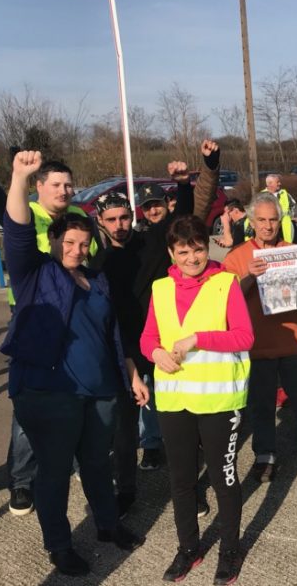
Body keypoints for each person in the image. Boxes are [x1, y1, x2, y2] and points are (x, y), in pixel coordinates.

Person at [2, 150, 144, 577]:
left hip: (99, 390)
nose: (77, 250)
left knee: (99, 465)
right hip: (50, 392)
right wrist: (20, 178)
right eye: (69, 243)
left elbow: (111, 334)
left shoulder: (96, 279)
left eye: (83, 244)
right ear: (53, 243)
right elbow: (16, 231)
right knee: (56, 473)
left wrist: (131, 374)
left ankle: (106, 524)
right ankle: (59, 545)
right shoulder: (35, 273)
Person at [91, 141, 220, 517]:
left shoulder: (150, 243)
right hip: (127, 352)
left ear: (131, 217)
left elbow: (178, 218)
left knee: (180, 425)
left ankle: (192, 490)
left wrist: (182, 183)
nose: (119, 224)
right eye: (111, 219)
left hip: (166, 347)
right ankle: (126, 491)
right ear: (101, 221)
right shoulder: (99, 263)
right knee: (125, 430)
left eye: (123, 217)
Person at [0, 154, 99, 517]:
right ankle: (23, 480)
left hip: (77, 317)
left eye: (68, 184)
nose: (64, 190)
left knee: (74, 394)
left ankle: (71, 460)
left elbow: (95, 263)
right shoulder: (30, 214)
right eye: (55, 184)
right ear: (39, 187)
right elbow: (6, 215)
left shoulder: (80, 219)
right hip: (35, 318)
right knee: (30, 405)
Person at [139, 215, 253, 584]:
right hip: (175, 401)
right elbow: (147, 338)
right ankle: (189, 547)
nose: (191, 258)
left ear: (208, 247)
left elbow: (243, 337)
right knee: (181, 480)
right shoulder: (160, 288)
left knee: (224, 478)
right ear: (171, 253)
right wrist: (155, 354)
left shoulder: (225, 284)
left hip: (219, 401)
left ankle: (230, 550)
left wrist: (198, 338)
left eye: (198, 250)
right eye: (183, 252)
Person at [223, 192, 297, 484]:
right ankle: (265, 456)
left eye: (273, 220)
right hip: (256, 344)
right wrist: (249, 277)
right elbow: (225, 301)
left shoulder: (294, 251)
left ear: (280, 221)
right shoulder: (236, 257)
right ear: (251, 221)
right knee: (261, 405)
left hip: (293, 340)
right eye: (261, 220)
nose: (267, 226)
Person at [260, 173, 297, 243]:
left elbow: (294, 206)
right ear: (269, 184)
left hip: (285, 227)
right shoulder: (261, 196)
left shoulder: (284, 193)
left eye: (279, 182)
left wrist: (295, 216)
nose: (280, 184)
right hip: (270, 226)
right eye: (277, 182)